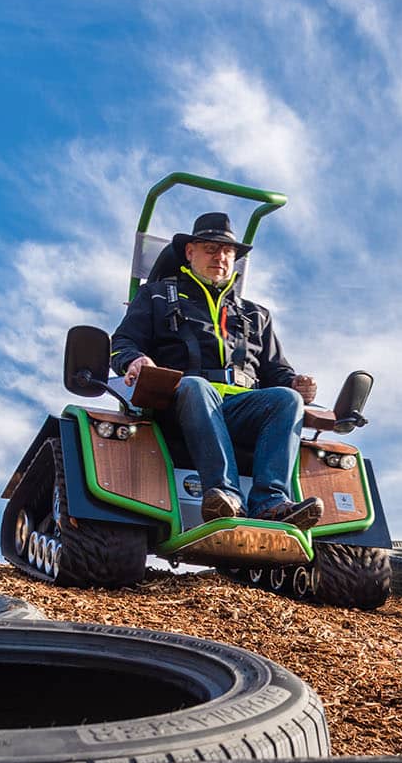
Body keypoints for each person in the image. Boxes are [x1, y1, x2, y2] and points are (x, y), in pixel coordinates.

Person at [109, 211, 324, 529]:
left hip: (240, 411)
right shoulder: (155, 297)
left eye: (226, 251)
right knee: (197, 386)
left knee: (286, 399)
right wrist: (135, 360)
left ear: (234, 258)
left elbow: (278, 373)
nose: (219, 257)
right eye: (210, 248)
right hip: (177, 406)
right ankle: (224, 497)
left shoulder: (255, 315)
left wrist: (297, 383)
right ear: (189, 252)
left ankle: (271, 502)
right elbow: (122, 343)